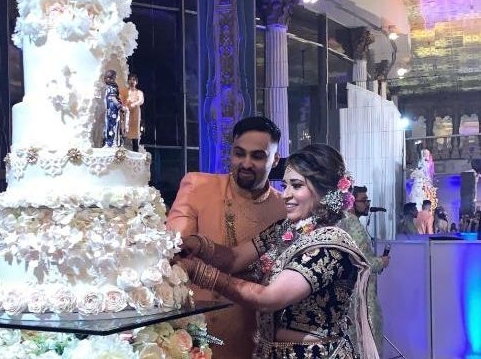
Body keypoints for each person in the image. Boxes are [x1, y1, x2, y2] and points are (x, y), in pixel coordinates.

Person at [176, 144, 379, 359]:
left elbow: (269, 297)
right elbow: (235, 259)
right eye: (285, 185)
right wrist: (198, 246)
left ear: (324, 192)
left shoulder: (331, 246)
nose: (286, 195)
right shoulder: (285, 229)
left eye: (297, 185)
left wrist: (200, 273)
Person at [167, 116, 287, 359]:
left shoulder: (284, 208)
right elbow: (174, 249)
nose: (245, 163)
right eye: (239, 153)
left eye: (257, 156)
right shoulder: (198, 186)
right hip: (195, 333)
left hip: (254, 336)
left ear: (275, 160)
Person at [339, 185, 390, 357]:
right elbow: (362, 262)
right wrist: (381, 262)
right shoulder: (353, 224)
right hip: (362, 291)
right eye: (364, 200)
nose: (368, 204)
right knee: (370, 333)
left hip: (351, 290)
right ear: (352, 202)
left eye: (368, 200)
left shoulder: (344, 222)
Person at [120, 73, 144, 151]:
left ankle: (135, 151)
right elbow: (121, 100)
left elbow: (140, 101)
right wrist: (124, 107)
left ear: (136, 82)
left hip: (135, 114)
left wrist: (134, 104)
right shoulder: (124, 91)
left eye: (134, 79)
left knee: (134, 133)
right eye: (130, 79)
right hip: (125, 113)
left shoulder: (139, 92)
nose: (132, 81)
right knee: (124, 129)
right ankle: (122, 151)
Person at [102, 69, 124, 147]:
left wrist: (119, 105)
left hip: (112, 109)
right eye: (106, 77)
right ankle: (110, 142)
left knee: (112, 125)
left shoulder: (112, 87)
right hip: (111, 109)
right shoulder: (111, 87)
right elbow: (113, 98)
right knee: (111, 125)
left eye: (110, 77)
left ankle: (111, 142)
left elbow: (114, 98)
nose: (107, 79)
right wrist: (120, 106)